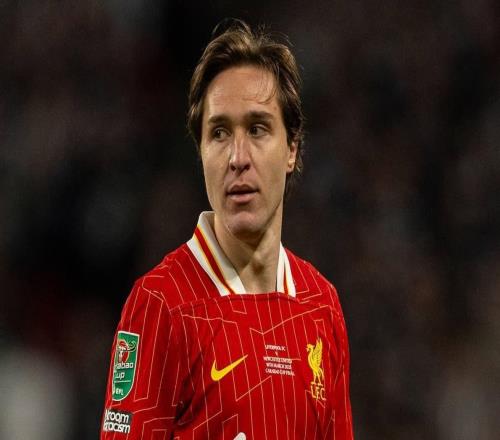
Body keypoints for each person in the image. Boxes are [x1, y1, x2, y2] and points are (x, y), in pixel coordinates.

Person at [101, 19, 353, 439]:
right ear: (200, 152)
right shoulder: (161, 304)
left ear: (292, 148)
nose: (238, 157)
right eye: (219, 132)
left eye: (257, 129)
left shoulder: (321, 305)